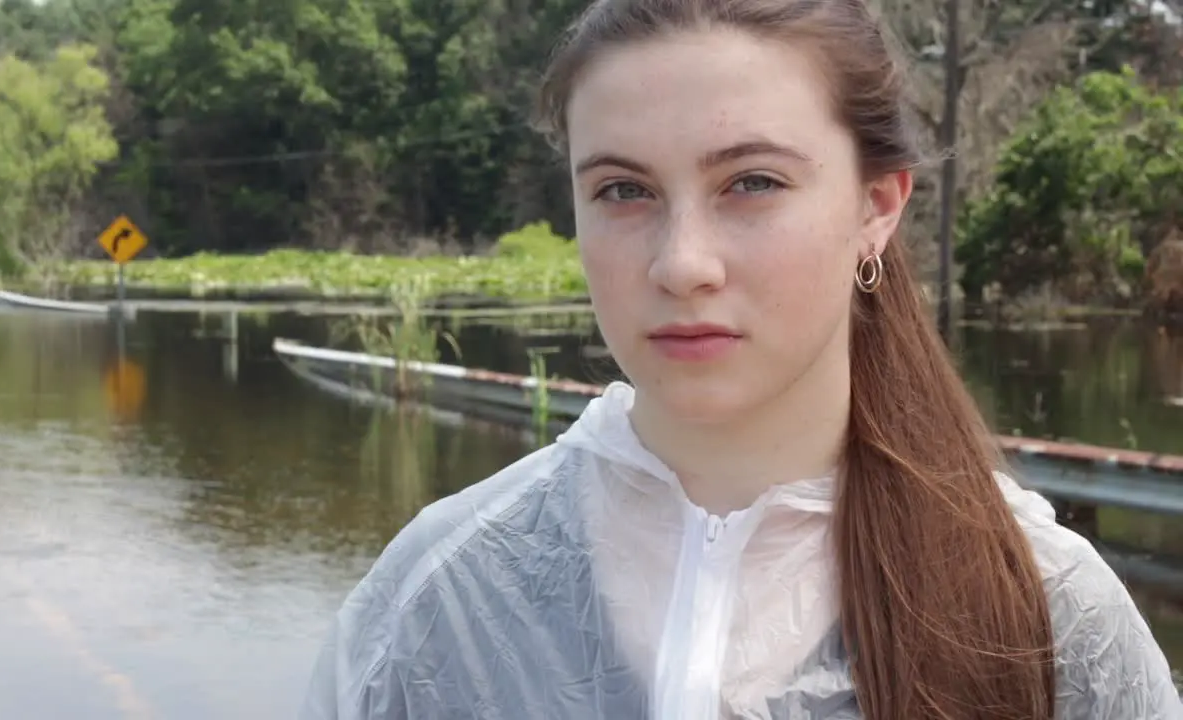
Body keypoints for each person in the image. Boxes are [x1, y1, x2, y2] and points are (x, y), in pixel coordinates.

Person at [299, 0, 1183, 717]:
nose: (683, 264)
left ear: (877, 204)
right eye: (623, 190)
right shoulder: (442, 599)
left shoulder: (1044, 613)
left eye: (751, 182)